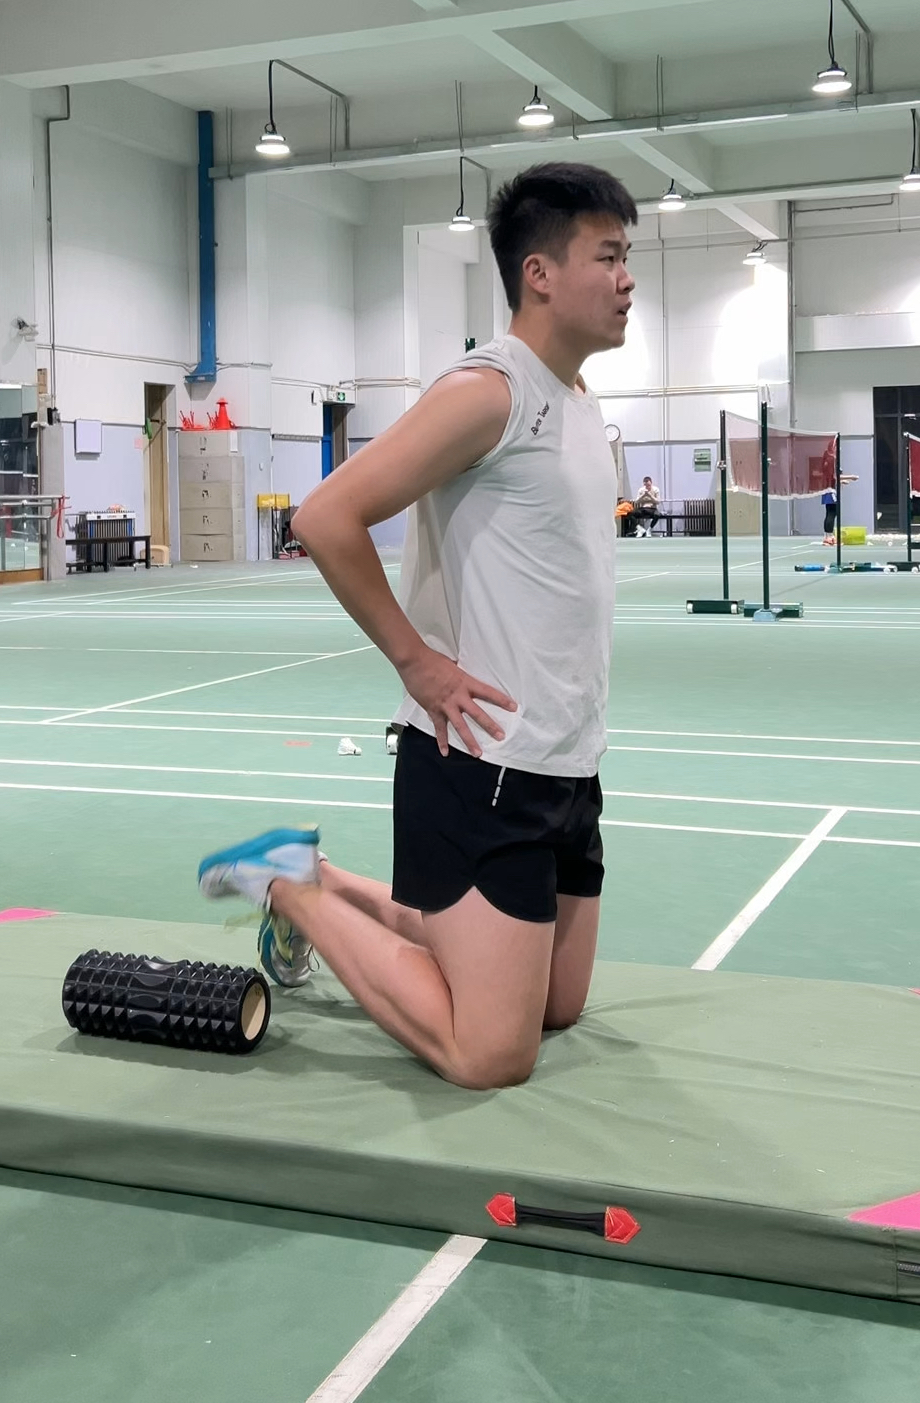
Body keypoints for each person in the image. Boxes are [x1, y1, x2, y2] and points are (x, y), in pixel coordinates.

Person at [198, 160, 637, 1089]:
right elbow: (325, 517)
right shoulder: (489, 391)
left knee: (557, 1008)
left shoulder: (577, 400)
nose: (627, 279)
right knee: (491, 1055)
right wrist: (417, 662)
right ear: (540, 274)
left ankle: (314, 871)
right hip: (484, 765)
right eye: (608, 257)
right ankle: (288, 890)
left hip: (567, 761)